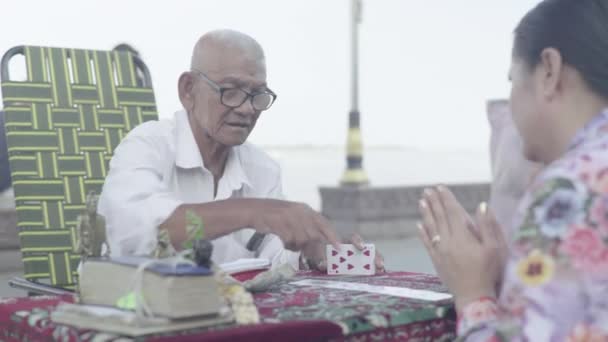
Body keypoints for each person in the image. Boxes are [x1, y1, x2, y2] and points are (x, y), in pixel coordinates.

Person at [99, 29, 384, 272]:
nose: (247, 108)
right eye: (230, 91)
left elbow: (273, 256)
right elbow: (138, 232)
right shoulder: (147, 145)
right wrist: (251, 211)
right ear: (188, 90)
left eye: (257, 95)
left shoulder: (262, 169)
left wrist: (316, 249)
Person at [417, 0, 608, 340]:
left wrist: (473, 291)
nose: (512, 101)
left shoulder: (572, 187)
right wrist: (517, 277)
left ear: (549, 70)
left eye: (513, 80)